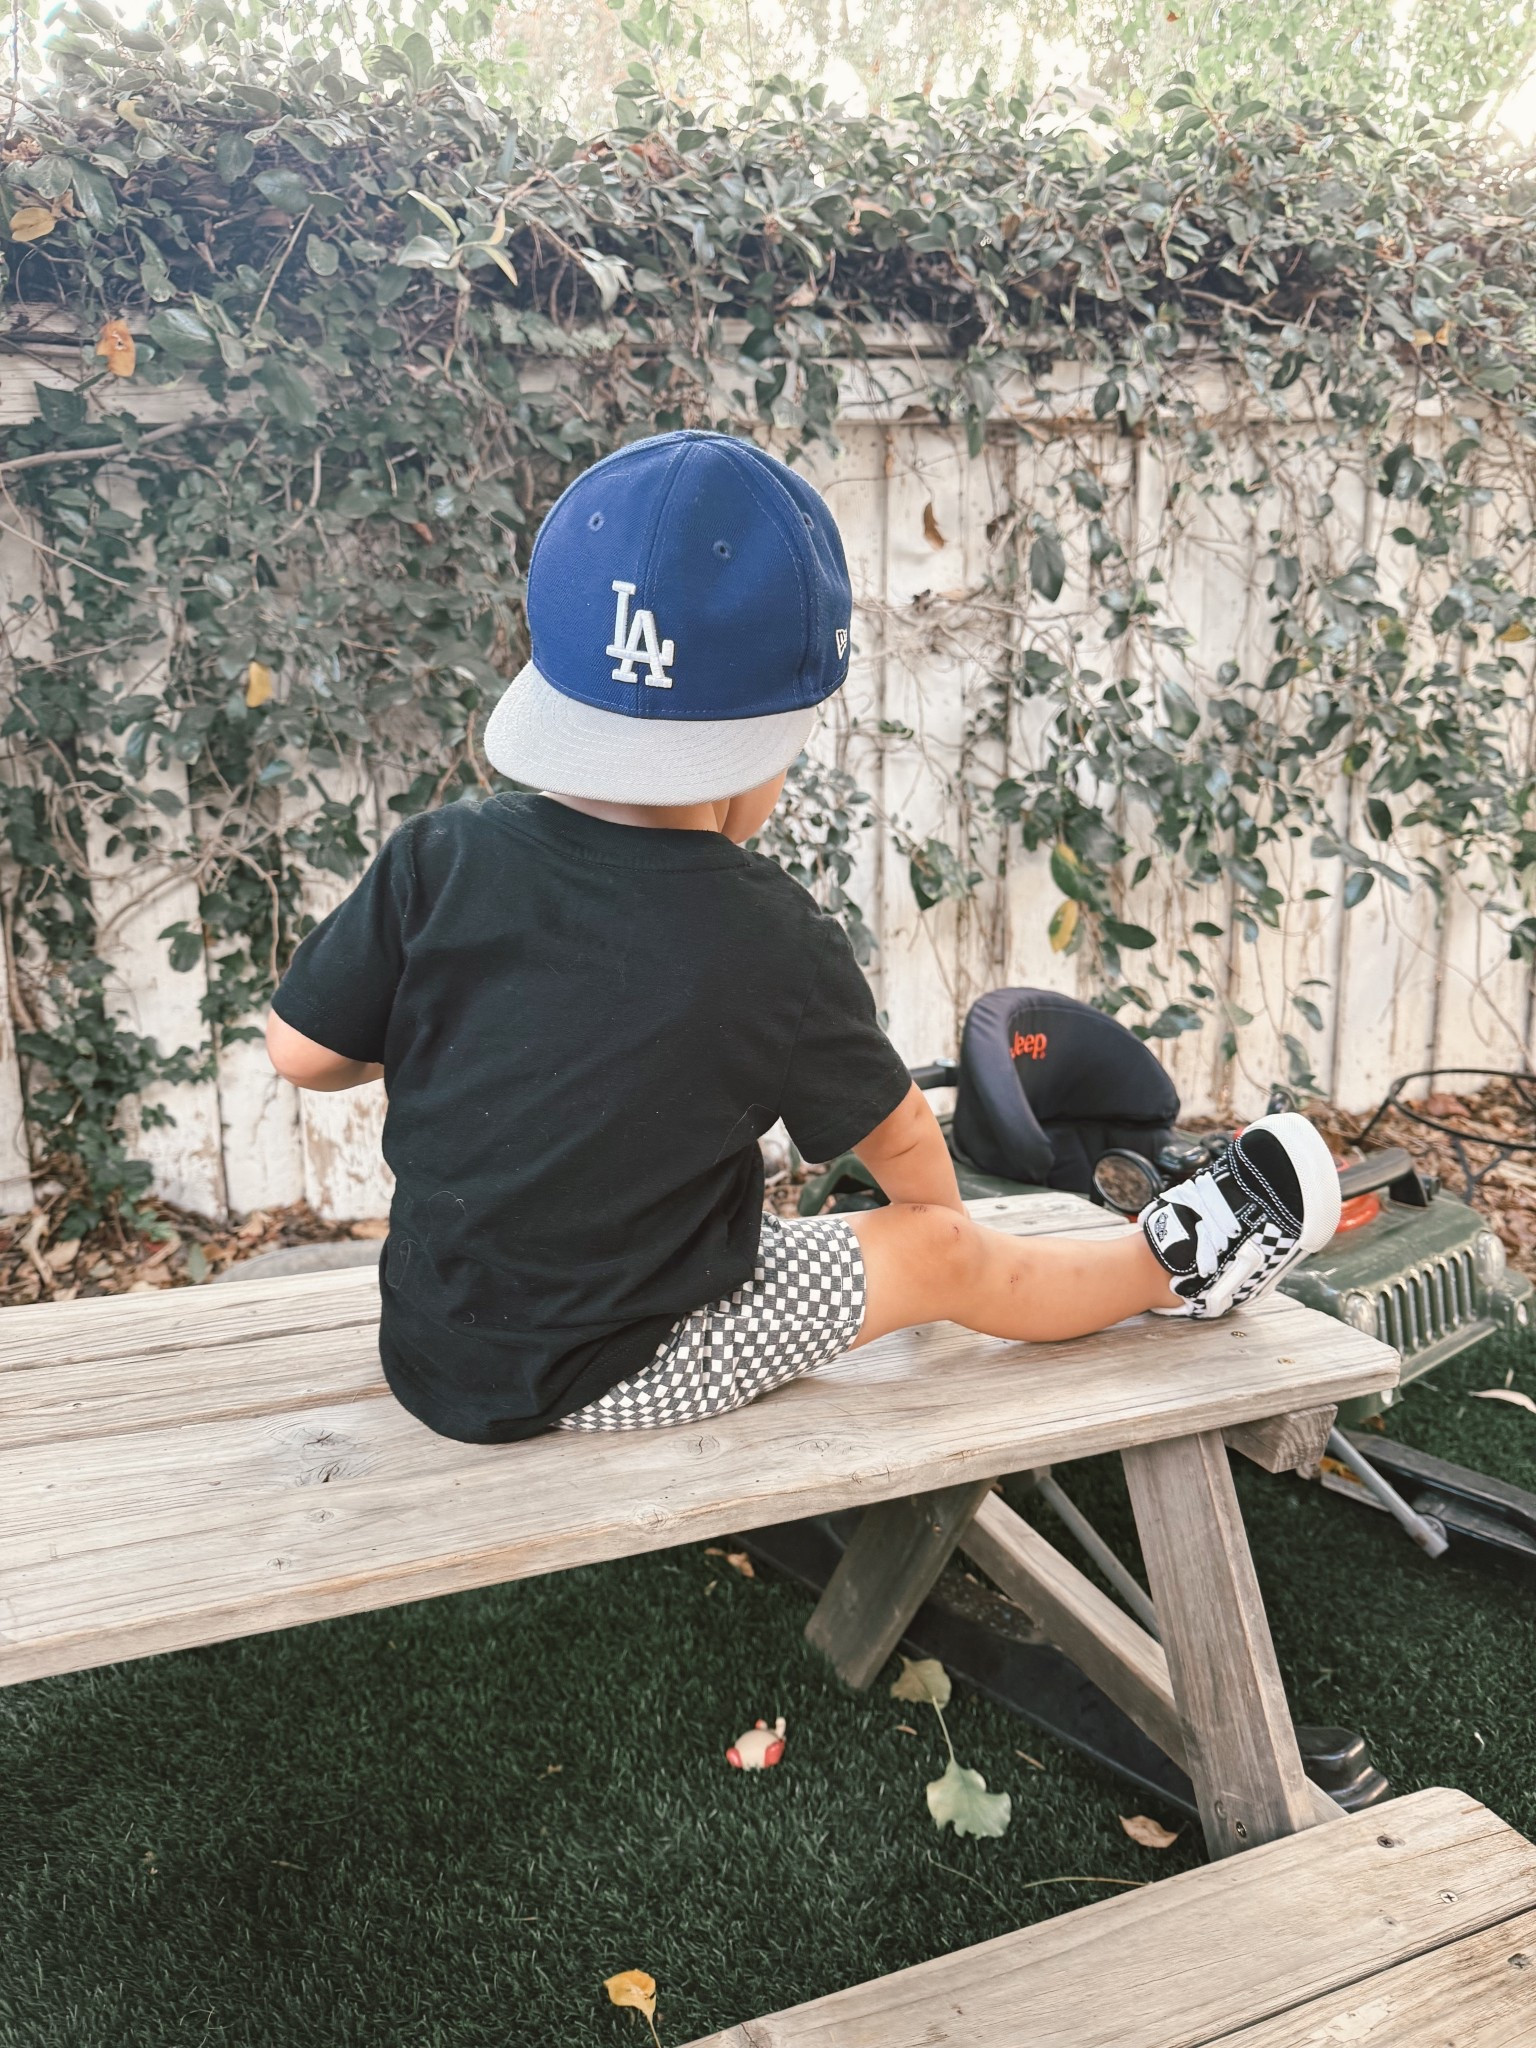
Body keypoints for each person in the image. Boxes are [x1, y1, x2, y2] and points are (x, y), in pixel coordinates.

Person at [266, 429, 1341, 1445]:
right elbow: (904, 1141)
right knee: (942, 1252)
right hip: (615, 1368)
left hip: (432, 1340)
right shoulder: (770, 936)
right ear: (763, 750)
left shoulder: (439, 853)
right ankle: (1178, 1269)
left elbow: (303, 1053)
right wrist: (930, 1244)